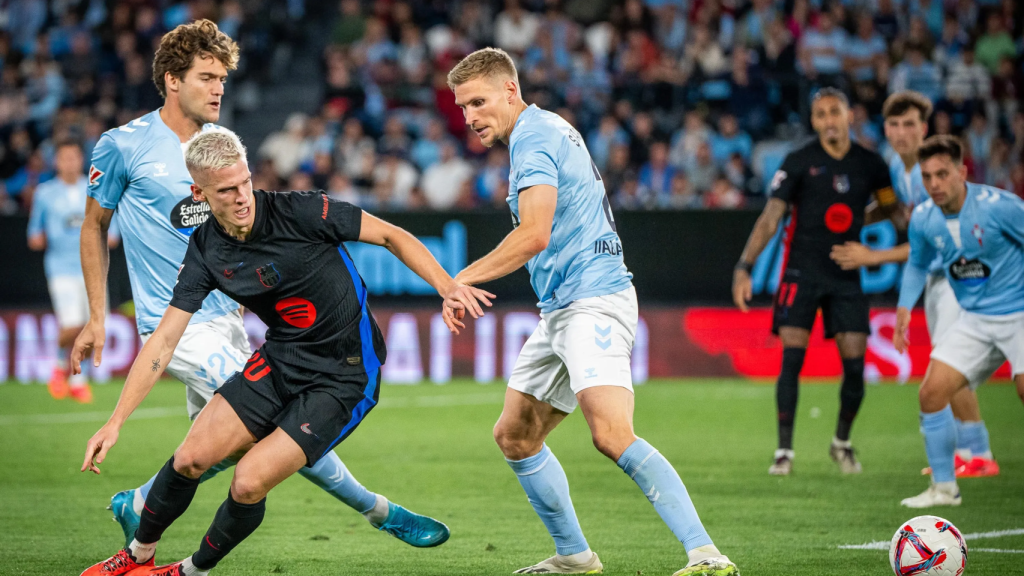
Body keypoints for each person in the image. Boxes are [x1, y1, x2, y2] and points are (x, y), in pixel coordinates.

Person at [73, 19, 446, 550]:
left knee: (208, 452)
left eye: (223, 77)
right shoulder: (123, 145)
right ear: (172, 80)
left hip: (229, 318)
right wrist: (95, 315)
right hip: (175, 324)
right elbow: (94, 227)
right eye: (207, 77)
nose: (219, 87)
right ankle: (377, 508)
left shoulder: (220, 149)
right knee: (277, 427)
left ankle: (139, 519)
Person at [77, 130, 494, 576]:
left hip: (344, 374)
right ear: (199, 193)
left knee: (248, 480)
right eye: (225, 190)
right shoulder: (205, 249)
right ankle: (138, 555)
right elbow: (163, 340)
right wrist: (116, 420)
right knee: (190, 457)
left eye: (244, 183)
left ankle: (187, 573)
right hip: (280, 360)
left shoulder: (303, 210)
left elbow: (392, 236)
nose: (241, 197)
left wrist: (447, 286)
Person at [445, 47, 738, 576]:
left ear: (511, 91)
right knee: (515, 435)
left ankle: (707, 554)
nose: (470, 117)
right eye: (462, 107)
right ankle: (575, 556)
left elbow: (533, 234)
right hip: (562, 307)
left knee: (611, 433)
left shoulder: (533, 140)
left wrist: (461, 276)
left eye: (478, 102)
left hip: (593, 300)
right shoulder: (547, 130)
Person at [829, 91, 1002, 478]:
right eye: (893, 124)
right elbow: (896, 213)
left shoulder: (932, 174)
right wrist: (848, 215)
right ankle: (970, 452)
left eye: (909, 124)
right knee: (948, 361)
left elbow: (930, 246)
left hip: (961, 275)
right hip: (940, 280)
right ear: (885, 130)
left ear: (924, 129)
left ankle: (980, 452)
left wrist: (872, 256)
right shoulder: (899, 167)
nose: (901, 132)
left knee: (951, 364)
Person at [733, 88, 902, 476]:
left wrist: (915, 239)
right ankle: (784, 452)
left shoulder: (871, 164)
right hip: (801, 272)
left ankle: (841, 442)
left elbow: (893, 211)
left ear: (849, 116)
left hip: (846, 274)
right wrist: (744, 265)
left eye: (835, 112)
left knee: (856, 366)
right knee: (792, 360)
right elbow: (770, 218)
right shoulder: (799, 161)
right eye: (821, 114)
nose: (828, 120)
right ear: (814, 121)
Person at [894, 135, 1024, 508]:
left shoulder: (999, 207)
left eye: (942, 174)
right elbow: (918, 262)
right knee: (932, 393)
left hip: (1019, 312)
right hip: (976, 319)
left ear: (962, 172)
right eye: (927, 176)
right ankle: (944, 489)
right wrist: (904, 308)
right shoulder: (923, 217)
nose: (934, 184)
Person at [27, 139, 118, 403]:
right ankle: (58, 364)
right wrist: (39, 239)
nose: (69, 163)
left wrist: (109, 236)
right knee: (73, 325)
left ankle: (77, 379)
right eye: (64, 158)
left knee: (95, 324)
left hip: (95, 268)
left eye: (74, 158)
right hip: (61, 268)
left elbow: (112, 231)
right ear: (56, 161)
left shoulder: (94, 189)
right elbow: (34, 233)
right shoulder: (44, 193)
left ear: (82, 161)